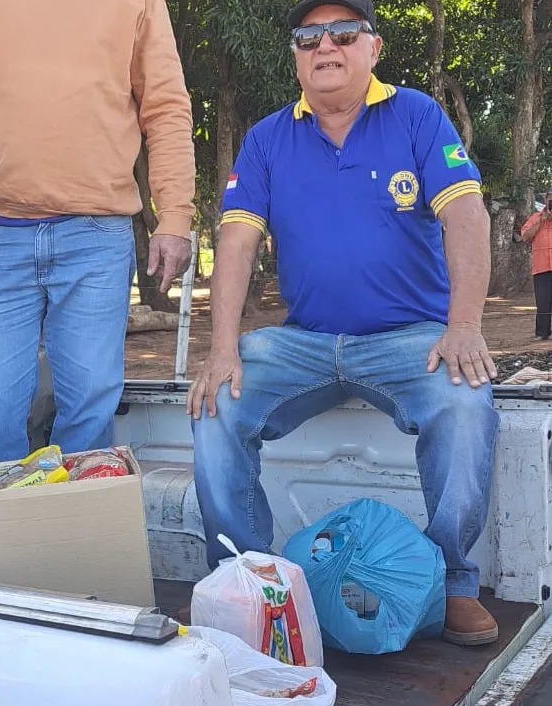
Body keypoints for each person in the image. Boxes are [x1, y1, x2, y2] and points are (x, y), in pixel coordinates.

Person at [187, 0, 500, 646]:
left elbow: (466, 214)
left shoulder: (415, 114)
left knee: (465, 399)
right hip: (304, 341)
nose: (324, 45)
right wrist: (222, 348)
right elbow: (237, 241)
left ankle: (450, 583)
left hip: (407, 340)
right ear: (296, 56)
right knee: (215, 399)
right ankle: (247, 582)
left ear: (372, 48)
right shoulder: (267, 137)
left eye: (343, 33)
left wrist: (463, 324)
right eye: (308, 37)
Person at [0, 0, 195, 463]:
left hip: (96, 233)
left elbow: (166, 106)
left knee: (92, 396)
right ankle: (0, 529)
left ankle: (76, 529)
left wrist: (174, 215)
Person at [520, 191, 552, 339]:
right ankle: (542, 332)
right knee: (543, 301)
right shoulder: (535, 218)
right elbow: (525, 237)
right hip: (541, 267)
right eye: (550, 200)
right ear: (546, 200)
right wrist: (541, 222)